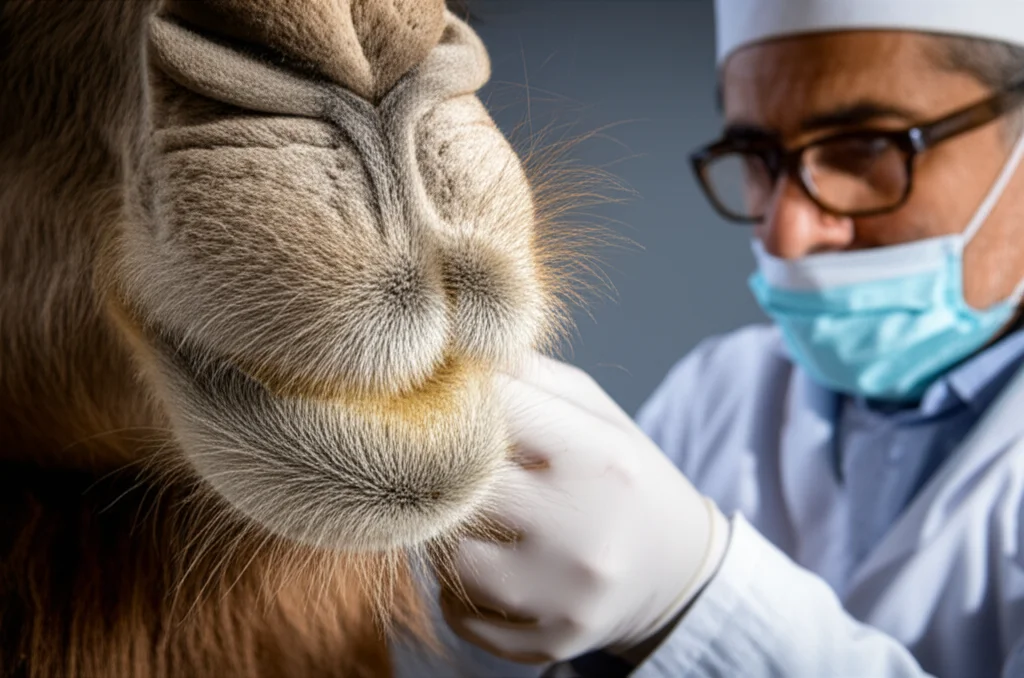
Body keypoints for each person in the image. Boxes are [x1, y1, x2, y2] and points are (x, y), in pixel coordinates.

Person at [428, 1, 1024, 677]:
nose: (785, 233)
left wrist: (692, 606)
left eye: (866, 150)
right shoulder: (717, 391)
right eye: (757, 158)